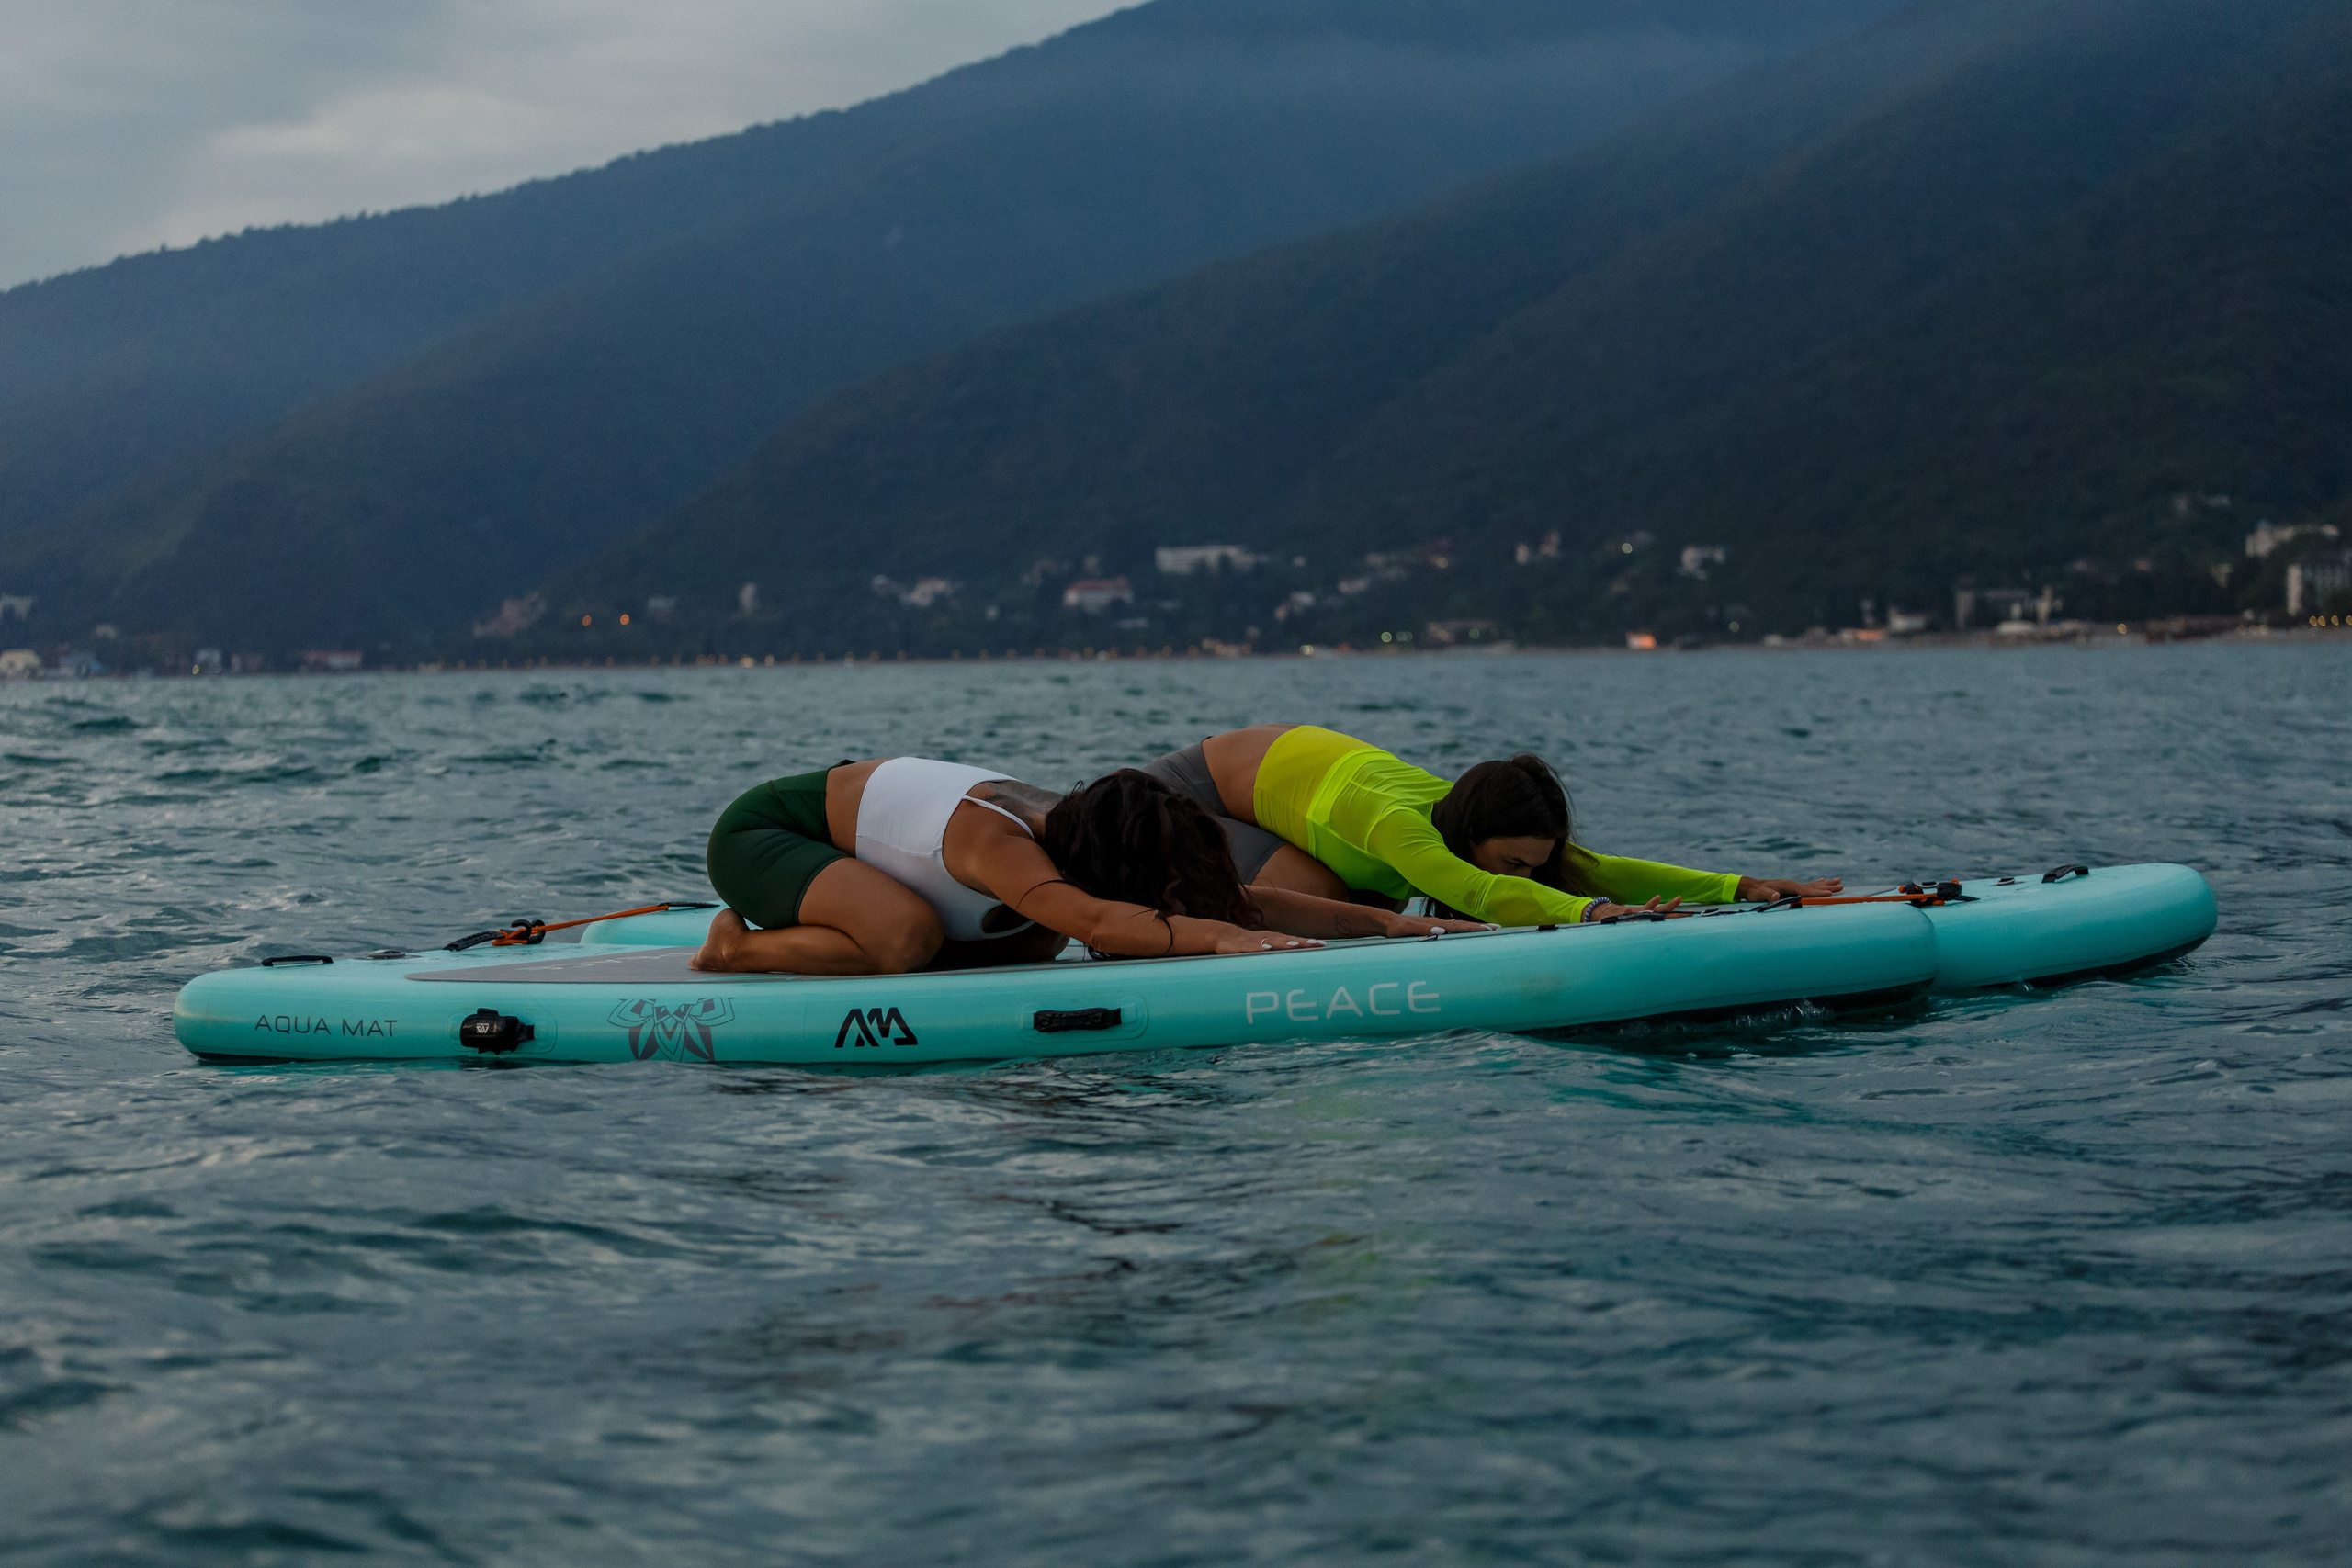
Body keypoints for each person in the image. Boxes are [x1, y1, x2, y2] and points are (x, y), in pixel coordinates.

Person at [693, 759, 1487, 976]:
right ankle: (737, 948)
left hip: (865, 850)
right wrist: (1221, 940)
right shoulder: (999, 841)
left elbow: (1239, 899)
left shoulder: (1084, 830)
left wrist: (1392, 925)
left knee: (1037, 939)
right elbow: (1100, 920)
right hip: (770, 835)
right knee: (905, 935)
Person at [1136, 726, 1841, 925]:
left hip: (1274, 800)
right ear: (1472, 839)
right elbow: (1479, 892)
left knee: (1374, 907)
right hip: (1177, 798)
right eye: (1513, 863)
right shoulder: (1398, 825)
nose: (1524, 875)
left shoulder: (1470, 812)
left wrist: (1740, 885)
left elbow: (1596, 869)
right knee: (1322, 903)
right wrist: (1593, 913)